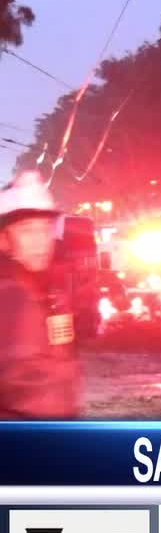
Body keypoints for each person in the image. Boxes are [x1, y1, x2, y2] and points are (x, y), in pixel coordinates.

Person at [0, 171, 80, 418]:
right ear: (4, 239)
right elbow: (26, 387)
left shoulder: (45, 290)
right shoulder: (9, 296)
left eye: (45, 229)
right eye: (26, 230)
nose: (40, 241)